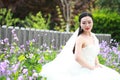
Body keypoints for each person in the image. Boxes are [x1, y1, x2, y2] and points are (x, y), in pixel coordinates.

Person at [40, 12, 120, 80]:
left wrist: (97, 64)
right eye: (84, 23)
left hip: (93, 66)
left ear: (93, 22)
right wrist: (91, 67)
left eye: (89, 22)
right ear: (80, 24)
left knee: (114, 76)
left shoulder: (93, 36)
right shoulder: (80, 38)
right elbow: (77, 57)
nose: (87, 25)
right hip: (83, 67)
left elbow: (93, 53)